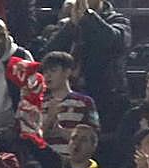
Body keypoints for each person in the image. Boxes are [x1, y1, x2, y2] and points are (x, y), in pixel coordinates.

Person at [44, 0, 130, 130]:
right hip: (68, 98)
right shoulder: (67, 24)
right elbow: (49, 54)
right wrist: (71, 25)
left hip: (106, 99)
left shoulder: (118, 20)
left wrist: (88, 17)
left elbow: (114, 41)